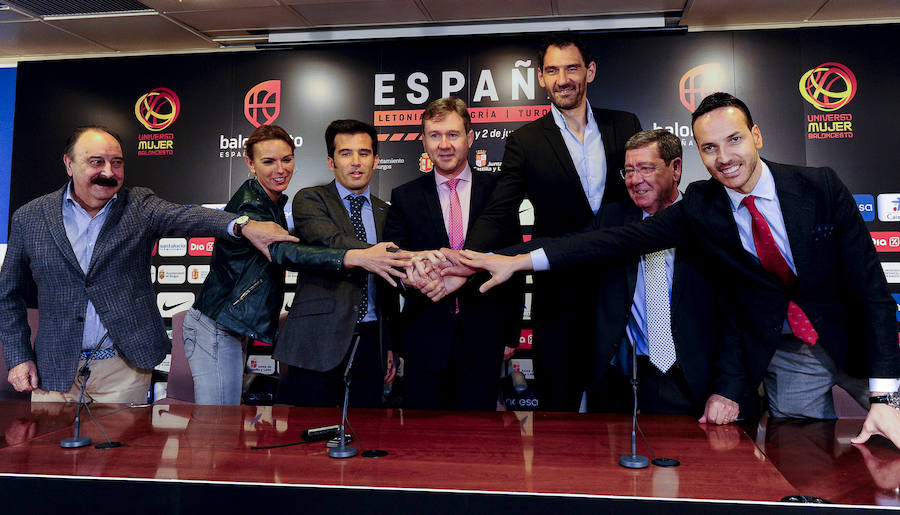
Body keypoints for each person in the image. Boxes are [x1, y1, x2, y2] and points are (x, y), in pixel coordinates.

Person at [455, 92, 900, 445]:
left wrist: (883, 395)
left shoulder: (819, 185)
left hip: (860, 338)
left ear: (757, 136)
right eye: (710, 147)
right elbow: (606, 242)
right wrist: (517, 260)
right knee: (809, 459)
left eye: (734, 140)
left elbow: (872, 291)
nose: (724, 157)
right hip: (784, 352)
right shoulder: (703, 208)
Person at [0, 126, 296, 404]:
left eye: (117, 163)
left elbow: (189, 217)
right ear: (69, 164)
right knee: (48, 459)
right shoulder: (30, 218)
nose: (108, 172)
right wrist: (18, 357)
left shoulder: (138, 205)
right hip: (53, 373)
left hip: (123, 371)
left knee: (122, 458)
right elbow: (8, 296)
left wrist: (242, 224)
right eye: (96, 162)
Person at [465, 33, 642, 412]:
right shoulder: (525, 141)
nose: (562, 79)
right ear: (541, 78)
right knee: (556, 412)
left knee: (618, 409)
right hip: (557, 295)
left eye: (572, 68)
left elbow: (648, 196)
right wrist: (464, 259)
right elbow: (499, 211)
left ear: (589, 71)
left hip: (621, 290)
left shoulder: (626, 126)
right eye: (552, 70)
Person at [183, 125, 410, 405]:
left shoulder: (273, 203)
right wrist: (356, 257)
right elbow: (290, 253)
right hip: (218, 324)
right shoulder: (252, 207)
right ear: (250, 164)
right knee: (218, 418)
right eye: (268, 161)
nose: (280, 169)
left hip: (236, 325)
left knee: (226, 414)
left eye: (286, 160)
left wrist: (390, 341)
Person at [577, 129, 743, 420]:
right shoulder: (612, 220)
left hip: (700, 382)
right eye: (628, 170)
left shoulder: (710, 218)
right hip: (631, 380)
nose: (635, 180)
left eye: (646, 168)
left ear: (675, 168)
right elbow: (569, 249)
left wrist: (727, 387)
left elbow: (737, 314)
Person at [382, 97, 523, 410]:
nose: (444, 144)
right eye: (434, 135)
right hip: (423, 340)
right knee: (423, 446)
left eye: (453, 134)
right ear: (424, 141)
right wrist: (414, 278)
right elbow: (394, 263)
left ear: (470, 138)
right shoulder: (404, 197)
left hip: (485, 338)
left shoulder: (497, 191)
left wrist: (512, 333)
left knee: (478, 442)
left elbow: (514, 262)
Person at [274, 120, 399, 408]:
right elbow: (329, 240)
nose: (356, 162)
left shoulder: (387, 212)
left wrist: (389, 343)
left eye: (364, 153)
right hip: (317, 339)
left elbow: (389, 285)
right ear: (331, 162)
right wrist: (386, 254)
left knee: (367, 433)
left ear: (376, 160)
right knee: (309, 440)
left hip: (372, 342)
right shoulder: (310, 199)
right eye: (345, 154)